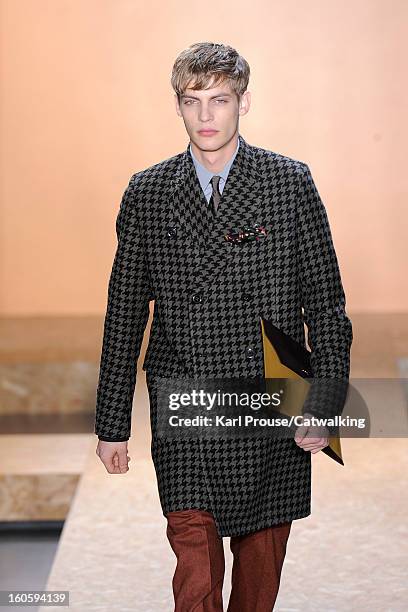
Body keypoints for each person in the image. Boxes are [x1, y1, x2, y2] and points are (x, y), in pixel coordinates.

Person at [94, 41, 353, 611]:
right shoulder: (149, 193)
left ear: (244, 102)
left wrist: (323, 404)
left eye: (220, 100)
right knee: (195, 570)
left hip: (269, 397)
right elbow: (125, 311)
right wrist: (112, 422)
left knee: (257, 585)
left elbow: (326, 307)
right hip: (183, 398)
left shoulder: (288, 184)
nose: (206, 116)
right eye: (193, 101)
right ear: (178, 106)